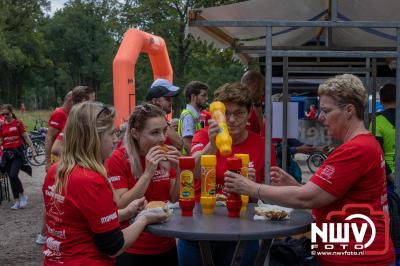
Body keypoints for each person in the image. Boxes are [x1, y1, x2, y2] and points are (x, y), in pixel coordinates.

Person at [224, 74, 395, 266]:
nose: (320, 117)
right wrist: (297, 186)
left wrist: (250, 187)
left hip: (357, 258)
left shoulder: (355, 149)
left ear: (349, 110)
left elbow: (307, 198)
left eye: (326, 111)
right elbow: (327, 197)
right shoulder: (362, 144)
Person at [42, 101, 168, 265]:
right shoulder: (90, 180)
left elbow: (79, 221)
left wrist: (124, 213)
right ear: (95, 137)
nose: (116, 139)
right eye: (111, 133)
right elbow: (113, 245)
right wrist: (143, 219)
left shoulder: (55, 170)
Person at [178, 82, 277, 266]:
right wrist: (213, 144)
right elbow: (192, 174)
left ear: (248, 114)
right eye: (226, 113)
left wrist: (255, 188)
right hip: (198, 228)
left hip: (241, 231)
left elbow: (269, 196)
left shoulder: (264, 146)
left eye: (239, 113)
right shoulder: (203, 135)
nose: (231, 120)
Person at [106, 103, 180, 266]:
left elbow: (174, 199)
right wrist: (148, 173)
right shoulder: (118, 158)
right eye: (154, 132)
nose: (162, 138)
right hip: (133, 247)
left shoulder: (164, 154)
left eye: (164, 130)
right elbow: (120, 204)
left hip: (166, 243)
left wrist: (181, 170)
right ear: (135, 133)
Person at [0, 104, 37, 209]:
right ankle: (16, 200)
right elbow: (2, 141)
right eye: (2, 114)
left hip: (18, 153)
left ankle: (23, 195)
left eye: (6, 114)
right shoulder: (2, 126)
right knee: (11, 178)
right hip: (7, 154)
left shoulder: (18, 123)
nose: (5, 116)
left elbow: (26, 137)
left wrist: (33, 150)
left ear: (11, 112)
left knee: (13, 175)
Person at [369, 83, 396, 190]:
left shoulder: (377, 121)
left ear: (381, 100)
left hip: (387, 177)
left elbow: (377, 154)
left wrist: (392, 178)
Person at [145, 78, 183, 151]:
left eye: (171, 99)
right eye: (167, 99)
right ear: (154, 101)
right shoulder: (148, 120)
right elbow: (179, 144)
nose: (171, 102)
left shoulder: (160, 119)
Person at [44, 91, 72, 171]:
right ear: (70, 100)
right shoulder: (59, 113)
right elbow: (49, 137)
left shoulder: (70, 114)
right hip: (58, 158)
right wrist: (48, 162)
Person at [178, 81, 208, 154]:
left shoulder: (197, 115)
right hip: (190, 160)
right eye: (203, 95)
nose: (206, 98)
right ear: (193, 97)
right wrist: (197, 161)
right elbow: (188, 143)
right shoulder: (188, 115)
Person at [241, 70, 264, 134]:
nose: (262, 92)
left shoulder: (252, 104)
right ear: (254, 87)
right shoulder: (240, 105)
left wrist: (257, 102)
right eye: (261, 88)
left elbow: (259, 128)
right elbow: (259, 128)